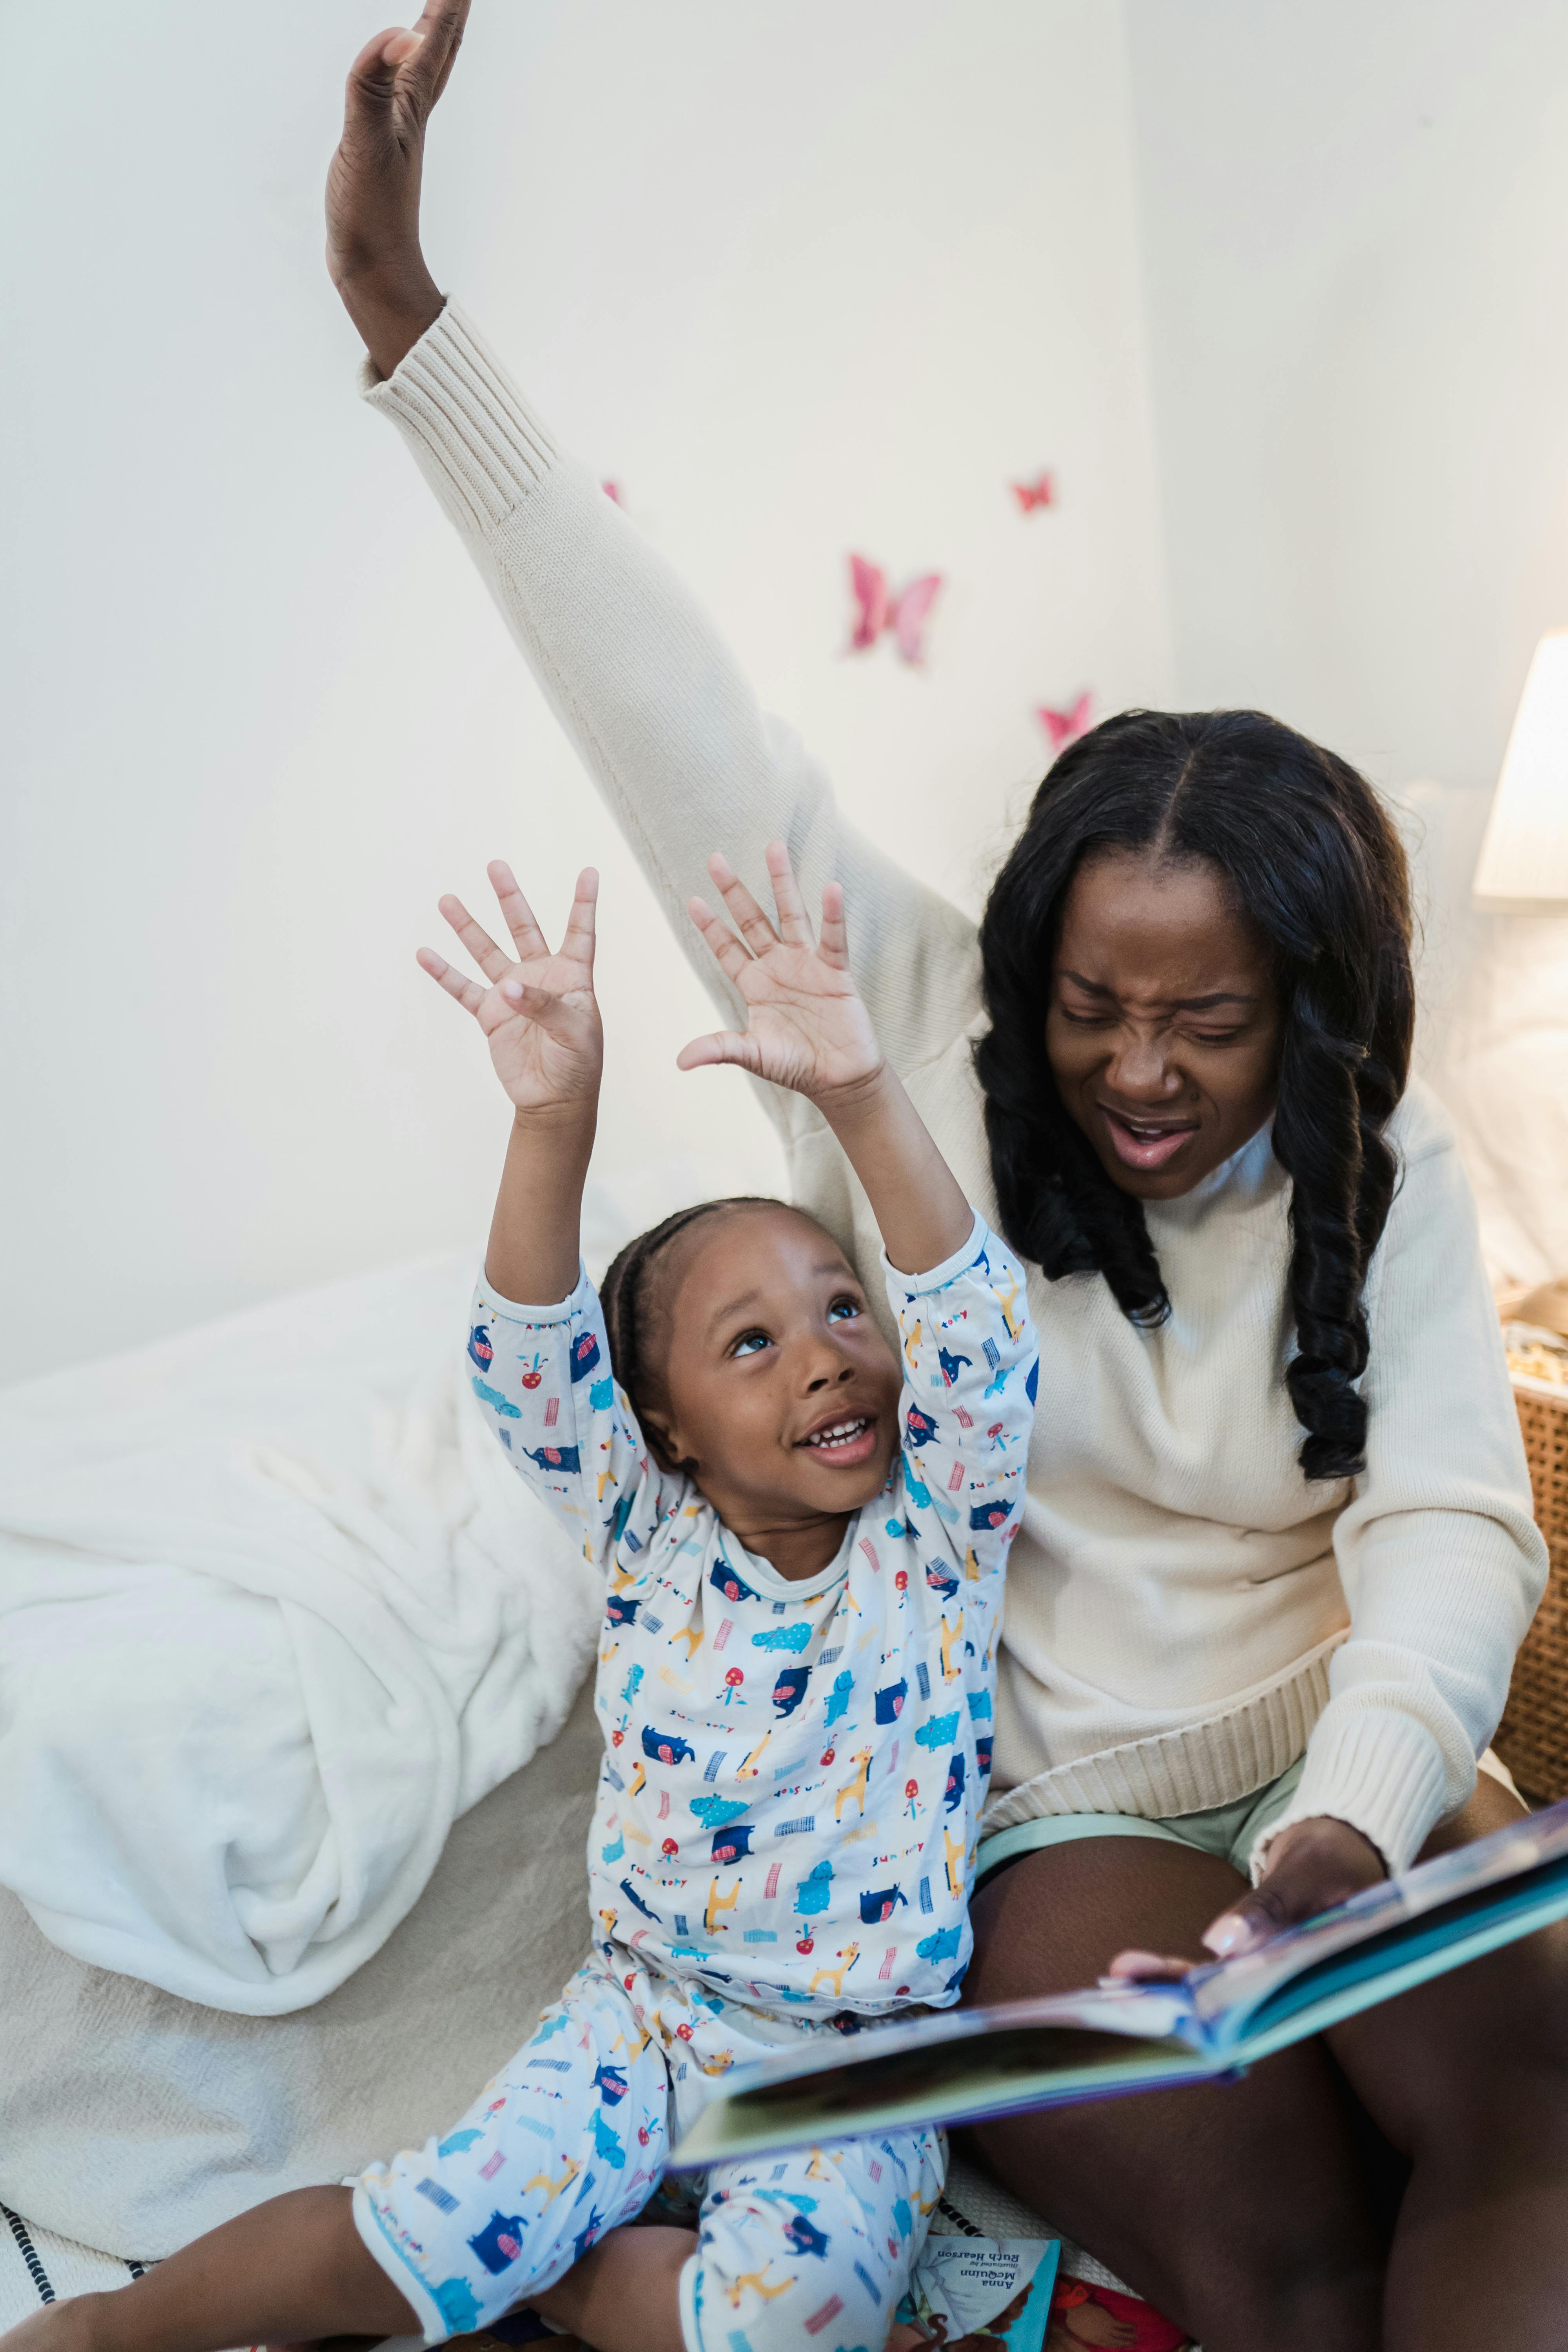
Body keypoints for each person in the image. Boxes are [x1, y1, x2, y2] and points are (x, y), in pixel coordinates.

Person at [311, 14, 1568, 2347]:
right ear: (1025, 975)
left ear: (1316, 1006)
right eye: (1096, 1012)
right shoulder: (892, 1032)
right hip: (1049, 1819)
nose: (1140, 1076)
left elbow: (1452, 1530)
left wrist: (1346, 1837)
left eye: (1208, 1025)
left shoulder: (1379, 1162)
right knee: (1281, 2247)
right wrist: (410, 323)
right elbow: (676, 709)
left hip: (1337, 1770)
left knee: (1530, 2120)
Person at [0, 845, 1034, 2352]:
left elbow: (979, 1341)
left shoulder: (936, 1546)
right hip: (644, 2011)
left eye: (838, 1308)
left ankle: (571, 2271)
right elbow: (527, 1359)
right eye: (748, 1343)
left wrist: (865, 1099)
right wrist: (555, 1117)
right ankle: (100, 2330)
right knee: (420, 2232)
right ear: (664, 1426)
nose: (823, 1351)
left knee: (788, 2326)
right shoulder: (648, 1537)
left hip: (859, 2060)